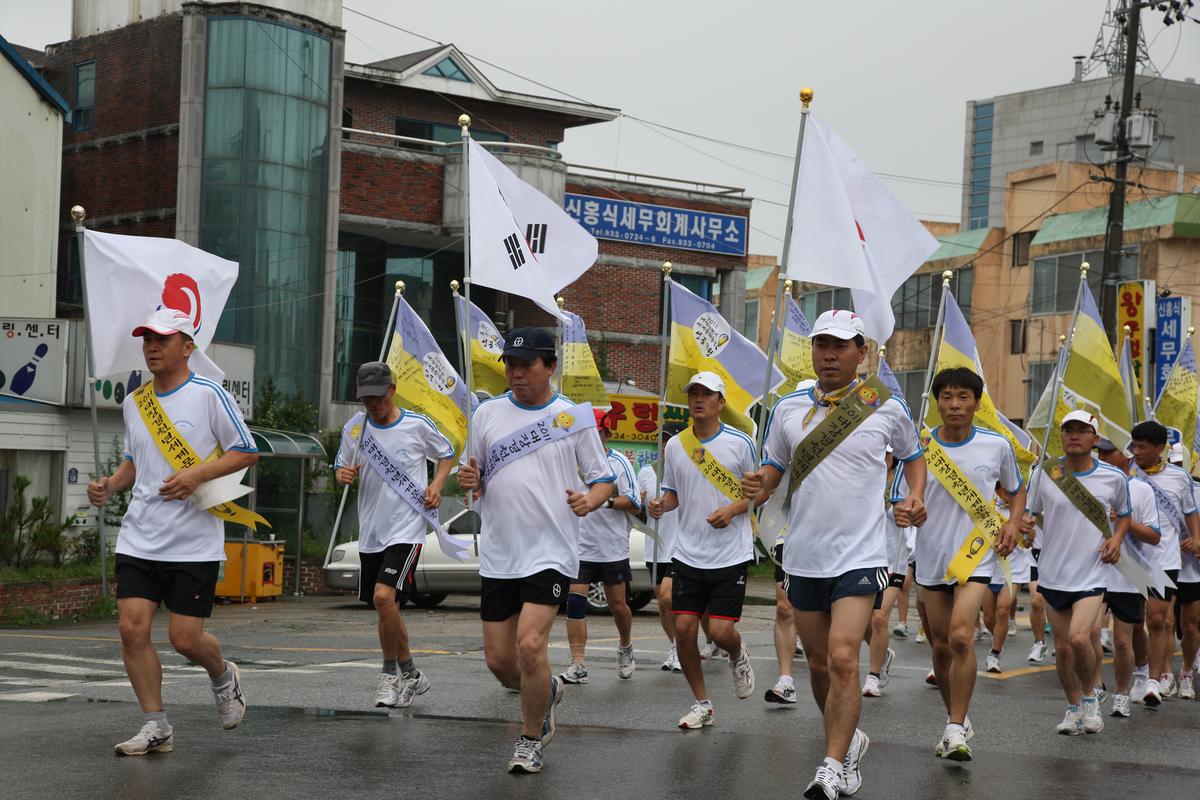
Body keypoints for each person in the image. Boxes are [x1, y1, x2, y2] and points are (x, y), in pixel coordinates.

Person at [742, 310, 926, 800]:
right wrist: (762, 483)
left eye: (841, 345)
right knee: (820, 666)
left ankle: (829, 764)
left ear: (861, 353)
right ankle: (845, 746)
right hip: (804, 554)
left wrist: (916, 494)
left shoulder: (884, 405)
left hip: (862, 553)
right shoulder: (787, 407)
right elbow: (775, 467)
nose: (828, 353)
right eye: (821, 343)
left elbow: (912, 456)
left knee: (845, 656)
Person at [86, 308, 258, 756]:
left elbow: (246, 451)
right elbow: (133, 460)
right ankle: (156, 725)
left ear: (188, 347)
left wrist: (196, 475)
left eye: (162, 339)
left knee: (184, 640)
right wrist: (110, 484)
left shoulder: (209, 395)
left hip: (193, 541)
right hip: (140, 535)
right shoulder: (135, 401)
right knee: (131, 630)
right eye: (147, 340)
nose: (152, 347)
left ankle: (223, 675)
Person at [456, 327, 616, 774]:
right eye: (511, 364)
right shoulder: (486, 415)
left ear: (550, 366)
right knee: (500, 662)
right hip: (500, 553)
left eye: (527, 364)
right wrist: (470, 482)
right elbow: (476, 477)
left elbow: (604, 478)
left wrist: (592, 498)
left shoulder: (573, 416)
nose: (517, 372)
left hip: (551, 551)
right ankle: (545, 691)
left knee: (530, 646)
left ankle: (530, 739)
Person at [902, 367, 1024, 760]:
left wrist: (1012, 524)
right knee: (939, 646)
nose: (954, 404)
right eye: (947, 397)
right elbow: (898, 500)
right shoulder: (918, 447)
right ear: (936, 402)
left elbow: (1016, 492)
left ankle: (955, 727)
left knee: (959, 635)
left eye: (963, 397)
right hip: (933, 556)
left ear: (976, 402)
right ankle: (955, 720)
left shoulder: (996, 445)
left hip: (976, 554)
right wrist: (907, 511)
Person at [334, 361, 455, 709]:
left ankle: (388, 675)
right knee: (389, 608)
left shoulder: (417, 426)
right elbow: (341, 465)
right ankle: (412, 674)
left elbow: (445, 454)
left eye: (377, 396)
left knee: (384, 598)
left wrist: (436, 484)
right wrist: (341, 474)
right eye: (365, 398)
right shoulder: (356, 429)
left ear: (392, 389)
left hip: (407, 528)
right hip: (372, 531)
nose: (372, 404)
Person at [648, 371, 757, 730]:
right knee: (683, 628)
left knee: (723, 633)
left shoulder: (741, 444)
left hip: (730, 553)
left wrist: (731, 510)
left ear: (721, 403)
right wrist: (663, 504)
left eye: (706, 394)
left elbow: (756, 493)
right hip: (688, 552)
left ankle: (738, 654)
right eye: (693, 393)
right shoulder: (676, 445)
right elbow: (674, 492)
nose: (698, 400)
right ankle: (702, 703)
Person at [1020, 410, 1128, 735]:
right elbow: (1031, 516)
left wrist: (1116, 539)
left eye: (1083, 430)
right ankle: (1073, 707)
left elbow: (1123, 514)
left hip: (1091, 573)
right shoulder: (1045, 473)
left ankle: (1091, 698)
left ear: (1095, 439)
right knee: (1063, 648)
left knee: (1081, 639)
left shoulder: (1113, 477)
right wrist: (1026, 527)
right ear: (1062, 436)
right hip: (1053, 572)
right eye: (1069, 430)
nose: (1074, 435)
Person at [560, 410, 642, 684]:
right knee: (575, 601)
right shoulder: (570, 463)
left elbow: (633, 501)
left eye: (596, 431)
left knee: (618, 605)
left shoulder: (617, 462)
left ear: (606, 432)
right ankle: (578, 663)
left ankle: (626, 645)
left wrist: (602, 501)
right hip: (579, 546)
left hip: (611, 546)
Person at [1127, 420, 1200, 703]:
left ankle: (1155, 682)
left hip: (1165, 558)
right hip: (1131, 559)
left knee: (1158, 620)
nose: (1137, 452)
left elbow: (1190, 511)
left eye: (1142, 447)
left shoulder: (1179, 478)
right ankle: (1141, 671)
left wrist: (1195, 537)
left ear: (1159, 448)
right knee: (1133, 624)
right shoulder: (1126, 476)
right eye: (1134, 446)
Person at [1095, 438, 1160, 716]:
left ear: (1127, 454)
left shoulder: (1141, 490)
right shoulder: (1091, 484)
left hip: (1129, 572)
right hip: (1093, 570)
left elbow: (1154, 536)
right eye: (1101, 452)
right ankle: (1093, 688)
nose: (1105, 456)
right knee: (1087, 636)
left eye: (1111, 452)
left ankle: (1122, 692)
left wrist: (1125, 521)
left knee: (1123, 640)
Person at [862, 452, 906, 698]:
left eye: (888, 451)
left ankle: (873, 676)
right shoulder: (864, 475)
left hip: (894, 559)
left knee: (879, 618)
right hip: (865, 558)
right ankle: (884, 653)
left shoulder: (904, 478)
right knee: (862, 623)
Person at [638, 444, 683, 673]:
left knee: (668, 598)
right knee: (662, 603)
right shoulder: (646, 472)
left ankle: (682, 649)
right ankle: (676, 646)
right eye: (663, 440)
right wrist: (639, 501)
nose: (666, 446)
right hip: (655, 546)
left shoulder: (687, 470)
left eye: (671, 440)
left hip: (680, 546)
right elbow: (636, 508)